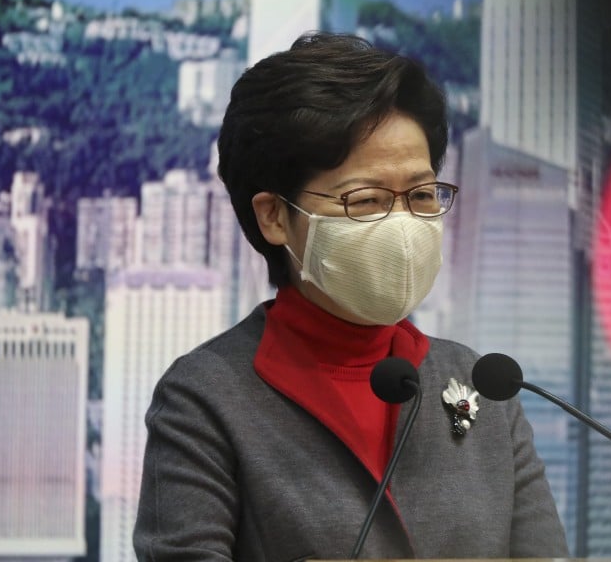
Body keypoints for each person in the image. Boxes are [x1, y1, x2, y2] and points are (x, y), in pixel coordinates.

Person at [133, 32, 568, 560]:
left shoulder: (481, 385)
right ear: (274, 216)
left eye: (423, 194)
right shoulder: (206, 399)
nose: (404, 224)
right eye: (366, 200)